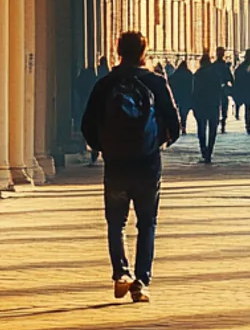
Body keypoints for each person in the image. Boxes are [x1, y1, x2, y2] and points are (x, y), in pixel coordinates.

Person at [80, 30, 180, 303]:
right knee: (147, 223)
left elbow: (87, 124)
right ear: (144, 53)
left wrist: (104, 147)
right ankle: (141, 282)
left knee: (116, 222)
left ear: (118, 51)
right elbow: (175, 124)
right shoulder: (156, 83)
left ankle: (120, 273)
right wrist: (156, 141)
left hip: (116, 165)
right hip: (147, 165)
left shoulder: (105, 84)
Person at [190, 46, 229, 164]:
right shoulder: (215, 74)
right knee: (213, 129)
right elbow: (220, 88)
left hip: (201, 104)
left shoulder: (198, 74)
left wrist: (193, 104)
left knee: (201, 128)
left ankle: (203, 150)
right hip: (213, 104)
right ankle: (209, 152)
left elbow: (194, 90)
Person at [73, 64, 100, 163]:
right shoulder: (96, 81)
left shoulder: (81, 80)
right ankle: (94, 149)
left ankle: (84, 148)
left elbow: (77, 87)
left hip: (82, 105)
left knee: (83, 128)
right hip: (93, 107)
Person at [169, 60, 195, 139]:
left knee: (179, 110)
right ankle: (183, 125)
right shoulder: (189, 74)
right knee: (184, 112)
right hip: (186, 95)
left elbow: (170, 82)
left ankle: (180, 125)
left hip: (178, 95)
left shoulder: (176, 74)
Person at [209, 47, 234, 127]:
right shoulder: (224, 66)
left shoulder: (213, 66)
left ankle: (217, 120)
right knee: (223, 105)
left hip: (214, 89)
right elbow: (230, 78)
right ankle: (223, 120)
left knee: (216, 105)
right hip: (222, 89)